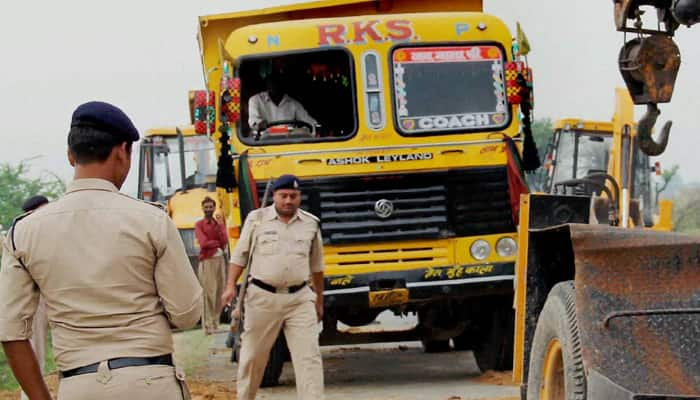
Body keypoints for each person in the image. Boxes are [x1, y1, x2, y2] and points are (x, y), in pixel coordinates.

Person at [0, 101, 203, 400]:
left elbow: (11, 333)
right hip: (151, 381)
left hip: (79, 386)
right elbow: (187, 314)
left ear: (71, 156)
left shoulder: (25, 232)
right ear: (123, 151)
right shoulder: (151, 220)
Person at [222, 174, 325, 400]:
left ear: (300, 197)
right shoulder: (256, 219)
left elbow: (317, 267)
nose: (288, 201)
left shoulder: (311, 223)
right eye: (283, 196)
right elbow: (239, 256)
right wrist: (230, 286)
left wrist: (319, 300)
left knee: (309, 358)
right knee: (253, 358)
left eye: (293, 196)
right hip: (262, 298)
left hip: (299, 299)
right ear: (275, 197)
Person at [18, 195, 50, 400]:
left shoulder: (58, 227)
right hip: (36, 297)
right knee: (35, 352)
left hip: (58, 293)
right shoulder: (22, 233)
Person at [194, 196, 228, 335]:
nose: (208, 209)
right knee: (208, 293)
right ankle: (207, 325)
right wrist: (216, 244)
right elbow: (203, 243)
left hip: (219, 260)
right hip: (207, 260)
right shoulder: (199, 224)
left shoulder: (217, 223)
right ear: (202, 208)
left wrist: (220, 226)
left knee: (219, 292)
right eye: (206, 207)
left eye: (211, 207)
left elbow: (224, 241)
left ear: (214, 208)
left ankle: (215, 323)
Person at [248, 73, 318, 132]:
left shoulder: (293, 104)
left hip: (287, 142)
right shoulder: (255, 100)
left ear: (283, 85)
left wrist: (316, 127)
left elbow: (308, 121)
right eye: (271, 83)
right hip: (264, 143)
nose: (274, 85)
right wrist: (260, 124)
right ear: (267, 85)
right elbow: (253, 122)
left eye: (277, 83)